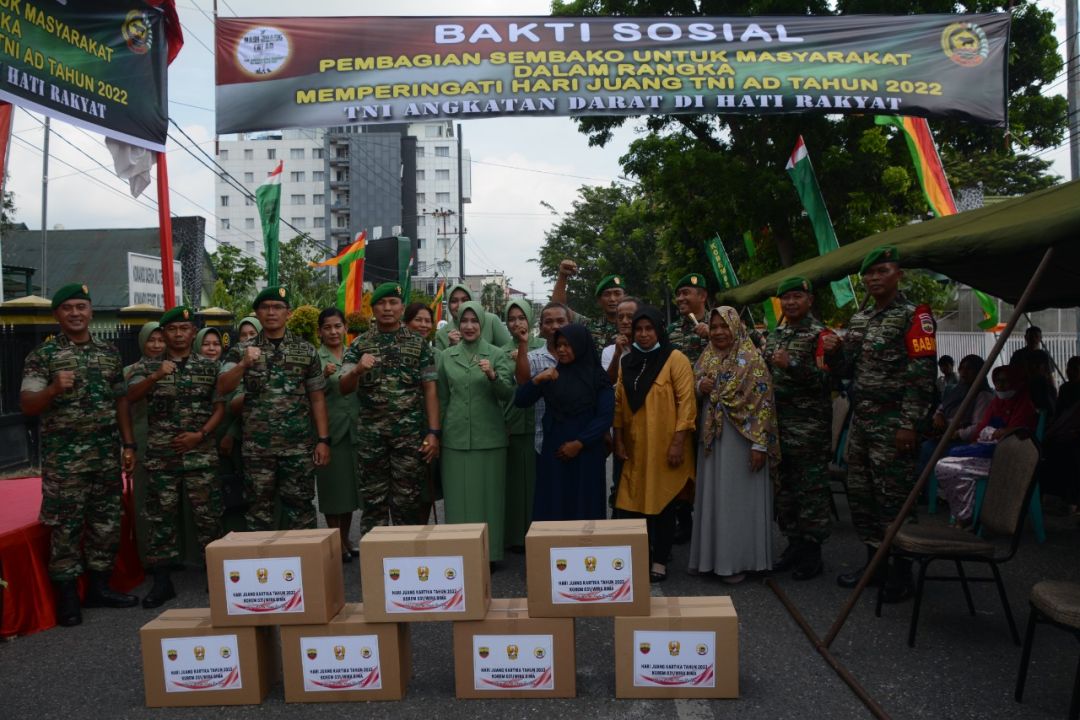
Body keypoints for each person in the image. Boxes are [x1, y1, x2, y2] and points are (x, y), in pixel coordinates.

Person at [822, 245, 937, 603]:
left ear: (897, 274)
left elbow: (922, 376)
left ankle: (902, 572)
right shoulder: (860, 319)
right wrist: (834, 351)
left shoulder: (914, 316)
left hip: (894, 421)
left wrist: (909, 424)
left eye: (881, 271)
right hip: (863, 419)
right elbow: (844, 372)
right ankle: (875, 565)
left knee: (894, 498)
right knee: (861, 494)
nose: (873, 278)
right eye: (869, 273)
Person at [20, 283, 139, 626]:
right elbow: (28, 405)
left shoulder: (109, 353)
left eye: (81, 306)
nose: (75, 313)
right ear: (57, 314)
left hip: (104, 455)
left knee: (106, 523)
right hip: (65, 461)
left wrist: (128, 444)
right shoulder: (42, 356)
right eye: (68, 307)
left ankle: (100, 587)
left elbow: (121, 400)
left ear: (90, 311)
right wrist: (54, 388)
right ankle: (68, 597)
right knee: (65, 527)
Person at [126, 306, 226, 607]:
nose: (179, 334)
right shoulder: (146, 368)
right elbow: (130, 397)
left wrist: (201, 435)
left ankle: (216, 577)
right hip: (162, 455)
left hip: (200, 454)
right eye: (172, 329)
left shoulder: (209, 367)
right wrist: (157, 374)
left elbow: (219, 406)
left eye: (184, 329)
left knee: (208, 515)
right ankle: (161, 581)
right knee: (160, 518)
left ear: (192, 333)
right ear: (164, 333)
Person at [217, 286, 331, 530]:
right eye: (265, 307)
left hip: (298, 447)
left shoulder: (305, 350)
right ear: (257, 313)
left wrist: (323, 439)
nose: (271, 312)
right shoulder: (240, 350)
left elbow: (317, 397)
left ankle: (305, 564)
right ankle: (262, 567)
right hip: (258, 449)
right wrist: (244, 364)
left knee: (301, 509)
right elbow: (223, 387)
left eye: (277, 307)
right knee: (258, 511)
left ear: (288, 313)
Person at [341, 283, 440, 534]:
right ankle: (376, 564)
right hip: (371, 438)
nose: (387, 308)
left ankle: (407, 563)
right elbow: (344, 387)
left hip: (408, 437)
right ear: (372, 309)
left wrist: (433, 433)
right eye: (381, 304)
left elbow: (430, 389)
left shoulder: (419, 344)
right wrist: (357, 370)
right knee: (373, 503)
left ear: (401, 307)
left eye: (393, 303)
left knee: (407, 502)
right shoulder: (359, 345)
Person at [690, 306, 780, 583]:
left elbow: (764, 404)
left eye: (723, 326)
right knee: (715, 498)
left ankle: (743, 561)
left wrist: (760, 446)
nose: (718, 332)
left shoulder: (751, 359)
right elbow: (694, 384)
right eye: (713, 326)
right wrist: (698, 386)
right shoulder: (707, 356)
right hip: (713, 442)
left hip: (743, 441)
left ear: (736, 327)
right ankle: (713, 561)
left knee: (738, 502)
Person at [612, 306, 696, 583]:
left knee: (663, 505)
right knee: (633, 504)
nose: (644, 334)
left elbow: (687, 404)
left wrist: (678, 443)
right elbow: (621, 404)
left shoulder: (675, 359)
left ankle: (660, 560)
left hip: (666, 446)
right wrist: (619, 439)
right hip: (636, 447)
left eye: (649, 329)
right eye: (639, 329)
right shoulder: (628, 361)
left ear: (659, 330)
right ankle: (640, 558)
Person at [765, 277, 834, 581]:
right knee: (785, 491)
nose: (791, 303)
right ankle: (793, 545)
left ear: (809, 299)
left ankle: (812, 554)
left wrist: (791, 365)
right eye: (786, 298)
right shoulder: (776, 334)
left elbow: (828, 382)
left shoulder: (821, 335)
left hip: (808, 429)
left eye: (796, 297)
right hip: (779, 427)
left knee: (810, 492)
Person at [437, 301, 515, 565]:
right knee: (458, 499)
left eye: (474, 321)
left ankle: (491, 554)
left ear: (483, 323)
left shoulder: (496, 354)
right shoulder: (447, 356)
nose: (469, 326)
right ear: (457, 324)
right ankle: (459, 553)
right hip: (455, 438)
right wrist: (436, 434)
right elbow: (442, 399)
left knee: (490, 498)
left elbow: (507, 394)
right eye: (464, 321)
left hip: (490, 437)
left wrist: (493, 376)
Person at [515, 323, 614, 521]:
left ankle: (585, 551)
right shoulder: (552, 374)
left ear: (580, 345)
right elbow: (521, 401)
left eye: (568, 345)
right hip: (555, 452)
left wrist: (579, 443)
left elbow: (605, 416)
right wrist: (537, 380)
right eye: (559, 345)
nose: (561, 349)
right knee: (553, 504)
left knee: (585, 505)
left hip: (587, 454)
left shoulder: (597, 377)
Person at [935, 365, 1036, 526]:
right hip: (986, 454)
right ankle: (966, 515)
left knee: (947, 467)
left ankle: (965, 517)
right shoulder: (996, 403)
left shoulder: (1024, 406)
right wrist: (994, 433)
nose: (1000, 385)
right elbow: (981, 430)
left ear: (1016, 383)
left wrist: (996, 433)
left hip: (1007, 460)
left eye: (1005, 381)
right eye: (997, 381)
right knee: (944, 465)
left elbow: (1016, 435)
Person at [314, 308, 361, 561]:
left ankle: (345, 537)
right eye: (328, 327)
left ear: (345, 328)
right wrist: (322, 376)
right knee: (333, 491)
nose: (333, 332)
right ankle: (335, 541)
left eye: (338, 326)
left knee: (350, 491)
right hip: (330, 432)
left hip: (355, 429)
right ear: (320, 331)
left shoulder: (354, 354)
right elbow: (307, 392)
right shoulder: (315, 357)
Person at [503, 299, 545, 549]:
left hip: (540, 423)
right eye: (512, 318)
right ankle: (516, 538)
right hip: (514, 424)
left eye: (521, 317)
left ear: (530, 319)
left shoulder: (543, 346)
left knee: (539, 484)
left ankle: (539, 534)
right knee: (515, 487)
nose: (517, 322)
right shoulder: (499, 350)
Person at [126, 322, 164, 563]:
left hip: (171, 442)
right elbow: (125, 407)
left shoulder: (178, 367)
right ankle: (146, 557)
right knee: (143, 500)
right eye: (151, 340)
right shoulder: (130, 371)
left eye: (161, 339)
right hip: (142, 440)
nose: (157, 345)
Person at [919, 354, 993, 476]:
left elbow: (978, 427)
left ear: (979, 372)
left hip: (964, 440)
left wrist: (956, 434)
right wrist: (938, 416)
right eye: (962, 368)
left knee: (927, 448)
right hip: (945, 434)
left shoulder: (983, 395)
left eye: (969, 369)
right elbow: (942, 408)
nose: (964, 372)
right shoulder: (957, 390)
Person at [514, 301, 570, 464]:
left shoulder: (580, 357)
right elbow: (523, 387)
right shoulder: (533, 357)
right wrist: (523, 343)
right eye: (549, 322)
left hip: (577, 441)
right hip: (545, 440)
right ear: (541, 327)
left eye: (560, 321)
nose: (555, 326)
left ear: (570, 323)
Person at [404, 301, 442, 522]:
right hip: (404, 428)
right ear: (407, 322)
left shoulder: (438, 353)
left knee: (427, 488)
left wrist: (435, 430)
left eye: (428, 321)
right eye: (418, 319)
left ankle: (423, 532)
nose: (423, 325)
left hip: (430, 428)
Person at [551, 258, 626, 350]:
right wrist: (563, 276)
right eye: (607, 294)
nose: (612, 299)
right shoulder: (589, 326)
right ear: (599, 301)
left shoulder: (637, 325)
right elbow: (558, 309)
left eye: (617, 294)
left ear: (625, 297)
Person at [434, 283, 512, 350]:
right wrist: (452, 347)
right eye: (454, 301)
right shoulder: (441, 335)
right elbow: (441, 366)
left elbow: (509, 352)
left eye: (465, 300)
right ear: (448, 305)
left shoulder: (491, 321)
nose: (460, 305)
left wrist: (492, 366)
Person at [601, 297, 640, 384]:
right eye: (620, 317)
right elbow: (607, 383)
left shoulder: (649, 346)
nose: (624, 321)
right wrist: (617, 355)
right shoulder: (608, 351)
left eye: (630, 317)